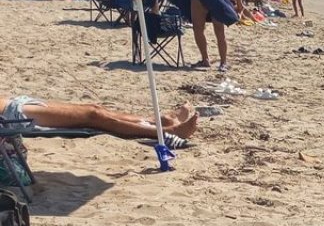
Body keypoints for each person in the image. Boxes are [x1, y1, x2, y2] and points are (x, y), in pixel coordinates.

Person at [1, 96, 199, 147]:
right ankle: (167, 132)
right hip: (14, 117)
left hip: (16, 105)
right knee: (93, 115)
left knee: (96, 109)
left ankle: (159, 121)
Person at [169, 0, 242, 71]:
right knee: (197, 28)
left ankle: (223, 62)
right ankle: (205, 60)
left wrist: (239, 3)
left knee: (219, 30)